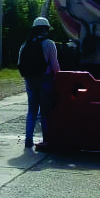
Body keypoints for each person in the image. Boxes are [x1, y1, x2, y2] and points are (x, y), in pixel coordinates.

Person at [17, 17, 59, 149]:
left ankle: (28, 140)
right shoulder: (49, 43)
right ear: (45, 29)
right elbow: (55, 66)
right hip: (44, 80)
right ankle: (46, 140)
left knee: (32, 111)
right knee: (45, 112)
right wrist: (59, 80)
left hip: (30, 81)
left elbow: (19, 64)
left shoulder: (25, 44)